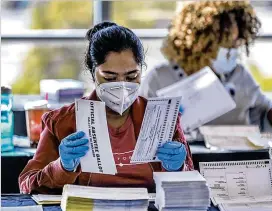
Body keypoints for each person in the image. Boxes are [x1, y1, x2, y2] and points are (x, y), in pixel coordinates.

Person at [19, 21, 194, 194]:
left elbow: (192, 188)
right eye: (110, 78)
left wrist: (178, 169)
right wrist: (62, 166)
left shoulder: (163, 118)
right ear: (92, 73)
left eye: (132, 76)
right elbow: (27, 184)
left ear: (141, 71)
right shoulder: (62, 121)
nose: (122, 86)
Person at [140, 1, 272, 133]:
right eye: (224, 44)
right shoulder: (160, 78)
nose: (230, 52)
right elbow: (139, 132)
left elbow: (264, 122)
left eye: (235, 44)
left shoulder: (240, 75)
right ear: (198, 43)